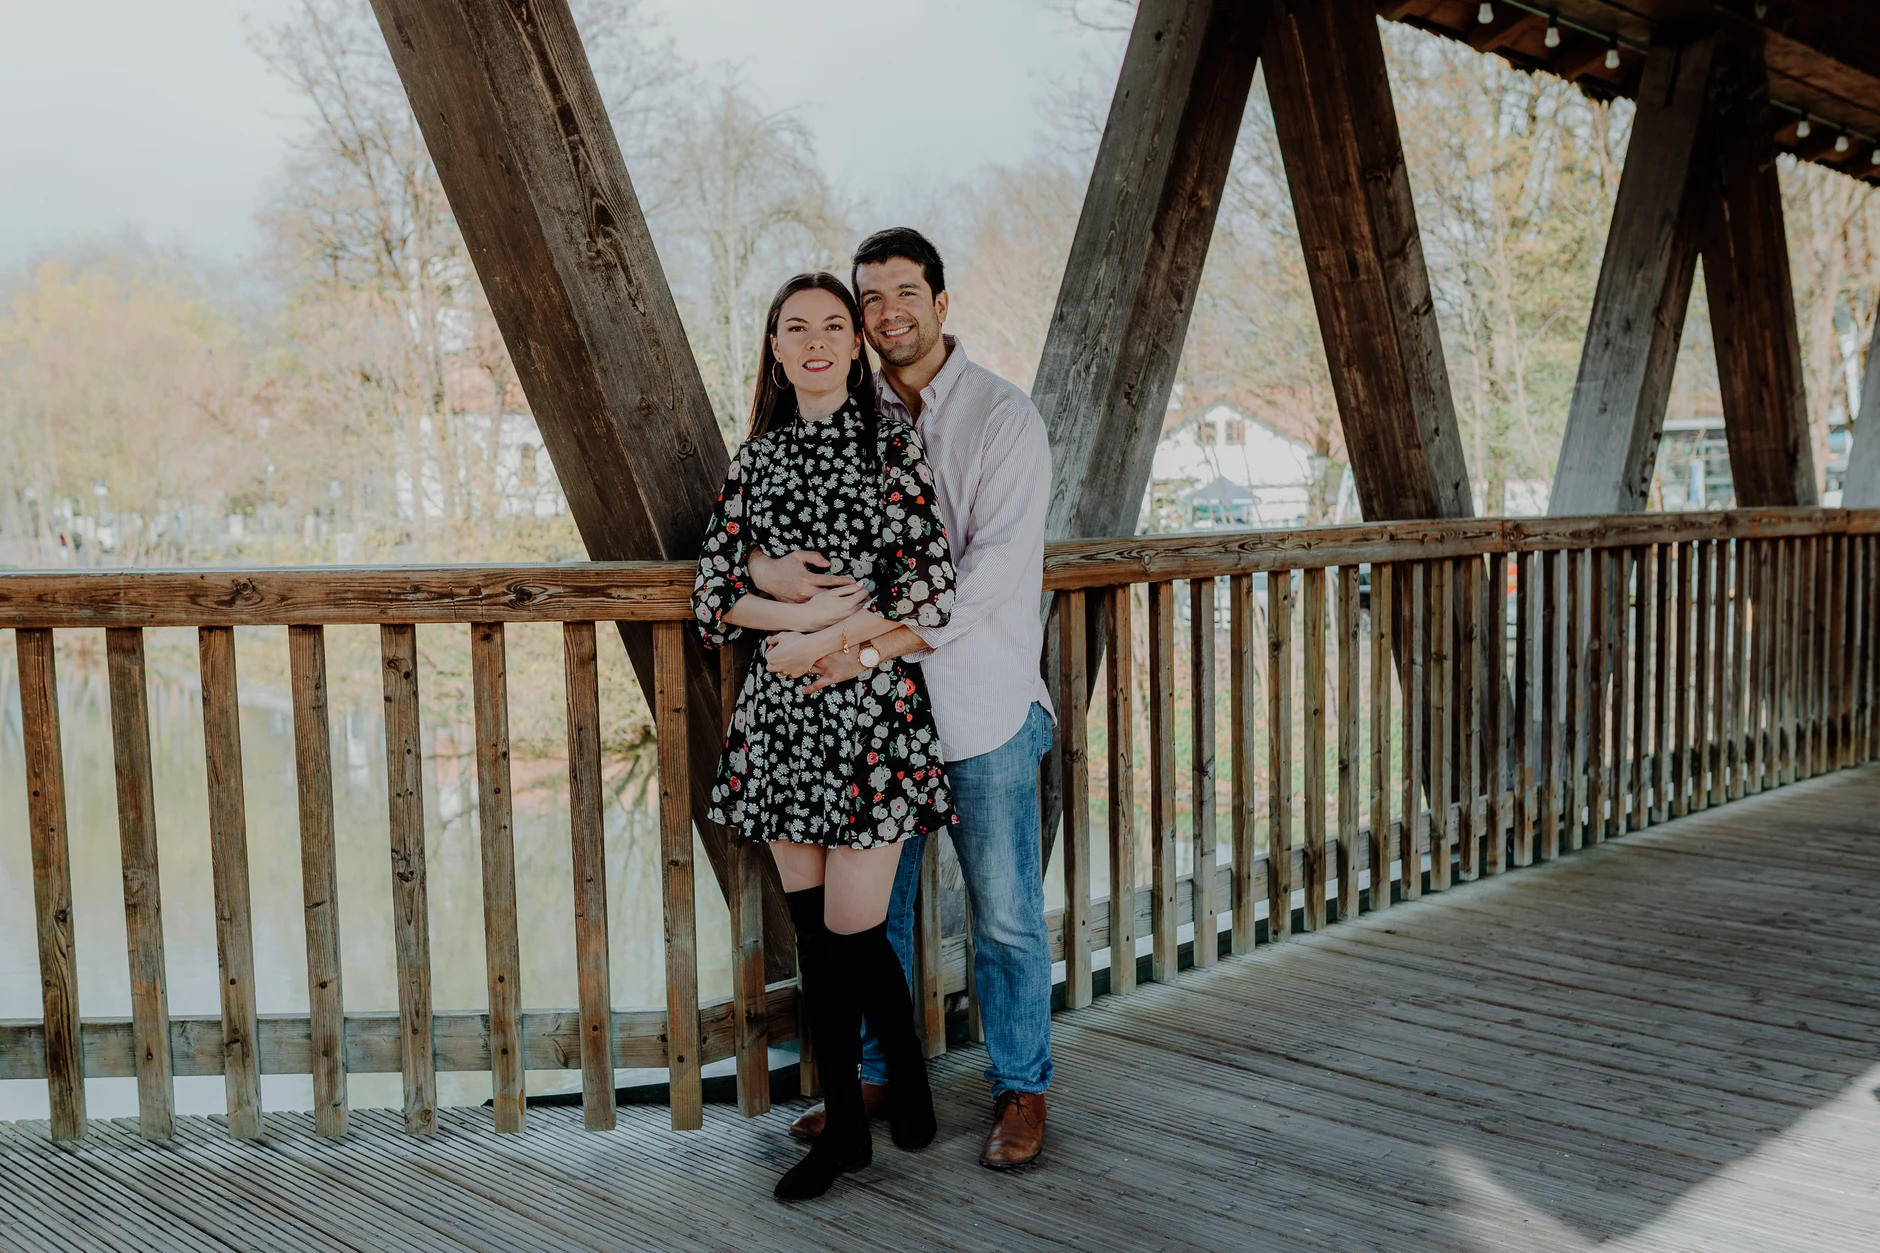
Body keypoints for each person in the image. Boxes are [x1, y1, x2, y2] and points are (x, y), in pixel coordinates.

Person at [749, 228, 1056, 1170]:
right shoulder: (848, 412)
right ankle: (878, 1072)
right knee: (873, 915)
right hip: (871, 716)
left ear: (941, 302)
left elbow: (991, 574)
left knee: (1004, 912)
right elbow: (768, 528)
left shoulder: (1003, 419)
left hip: (980, 702)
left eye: (905, 293)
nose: (888, 313)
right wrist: (764, 568)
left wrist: (856, 638)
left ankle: (1021, 1088)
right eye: (870, 298)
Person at [691, 271, 957, 1202]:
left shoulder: (894, 444)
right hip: (782, 723)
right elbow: (712, 599)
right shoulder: (756, 459)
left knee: (854, 932)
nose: (814, 340)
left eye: (832, 326)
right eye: (794, 327)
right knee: (818, 934)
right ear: (774, 347)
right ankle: (859, 1121)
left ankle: (860, 1121)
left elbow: (931, 591)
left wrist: (824, 639)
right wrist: (781, 603)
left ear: (855, 344)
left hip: (867, 715)